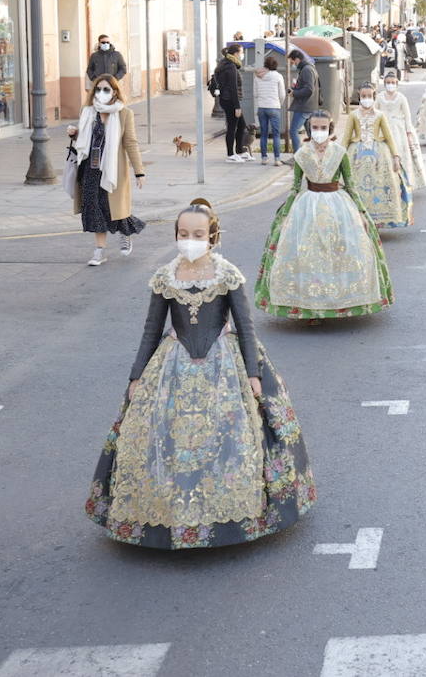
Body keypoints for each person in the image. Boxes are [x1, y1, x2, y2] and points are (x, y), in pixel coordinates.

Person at [85, 200, 316, 549]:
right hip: (173, 363)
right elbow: (151, 330)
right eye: (183, 234)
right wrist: (136, 376)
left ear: (212, 237)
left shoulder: (226, 274)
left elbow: (246, 327)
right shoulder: (166, 276)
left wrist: (253, 373)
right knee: (165, 439)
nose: (189, 240)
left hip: (225, 362)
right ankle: (167, 513)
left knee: (233, 438)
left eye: (197, 234)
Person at [254, 111, 393, 319]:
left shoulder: (339, 152)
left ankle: (340, 303)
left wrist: (362, 213)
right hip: (307, 204)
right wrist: (285, 214)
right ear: (310, 130)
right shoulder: (302, 154)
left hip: (338, 204)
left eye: (323, 127)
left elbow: (351, 185)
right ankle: (310, 307)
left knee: (340, 251)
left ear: (330, 128)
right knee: (308, 254)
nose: (319, 132)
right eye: (315, 128)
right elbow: (294, 187)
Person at [67, 74, 145, 267]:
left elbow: (130, 143)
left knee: (114, 208)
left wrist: (139, 171)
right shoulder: (87, 112)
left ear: (115, 92)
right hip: (89, 169)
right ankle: (99, 251)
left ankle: (125, 233)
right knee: (93, 208)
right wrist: (75, 134)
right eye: (98, 89)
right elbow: (85, 141)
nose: (101, 93)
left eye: (106, 89)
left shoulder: (124, 113)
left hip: (113, 169)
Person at [343, 84, 413, 229]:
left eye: (369, 96)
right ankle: (358, 220)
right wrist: (338, 157)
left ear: (374, 97)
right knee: (357, 186)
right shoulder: (353, 115)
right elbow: (346, 138)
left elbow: (389, 137)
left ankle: (377, 220)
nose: (366, 99)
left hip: (379, 156)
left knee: (380, 185)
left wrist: (396, 156)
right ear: (359, 97)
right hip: (356, 155)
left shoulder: (380, 115)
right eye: (363, 96)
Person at [378, 72, 426, 188]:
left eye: (393, 83)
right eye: (388, 83)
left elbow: (407, 116)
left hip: (398, 130)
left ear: (396, 84)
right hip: (384, 129)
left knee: (400, 153)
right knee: (385, 154)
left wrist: (409, 132)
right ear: (384, 84)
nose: (390, 85)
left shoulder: (401, 98)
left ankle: (403, 181)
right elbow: (375, 112)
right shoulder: (380, 97)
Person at [213, 45, 250, 162]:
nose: (242, 54)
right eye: (241, 52)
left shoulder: (225, 63)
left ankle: (239, 150)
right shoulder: (230, 67)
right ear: (235, 54)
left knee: (241, 125)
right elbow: (233, 87)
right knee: (232, 127)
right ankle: (230, 155)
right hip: (230, 100)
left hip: (226, 99)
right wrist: (237, 106)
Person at [253, 56, 287, 166]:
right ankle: (277, 159)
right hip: (274, 107)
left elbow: (255, 94)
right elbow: (282, 94)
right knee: (276, 134)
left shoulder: (257, 76)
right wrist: (279, 104)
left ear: (265, 65)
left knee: (263, 133)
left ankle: (264, 158)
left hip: (262, 107)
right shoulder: (278, 76)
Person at [286, 49, 318, 153]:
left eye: (292, 62)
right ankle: (316, 153)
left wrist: (294, 93)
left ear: (298, 59)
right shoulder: (308, 68)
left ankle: (298, 156)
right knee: (311, 133)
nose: (292, 64)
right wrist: (295, 88)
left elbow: (309, 89)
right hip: (308, 105)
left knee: (293, 131)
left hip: (304, 106)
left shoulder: (306, 70)